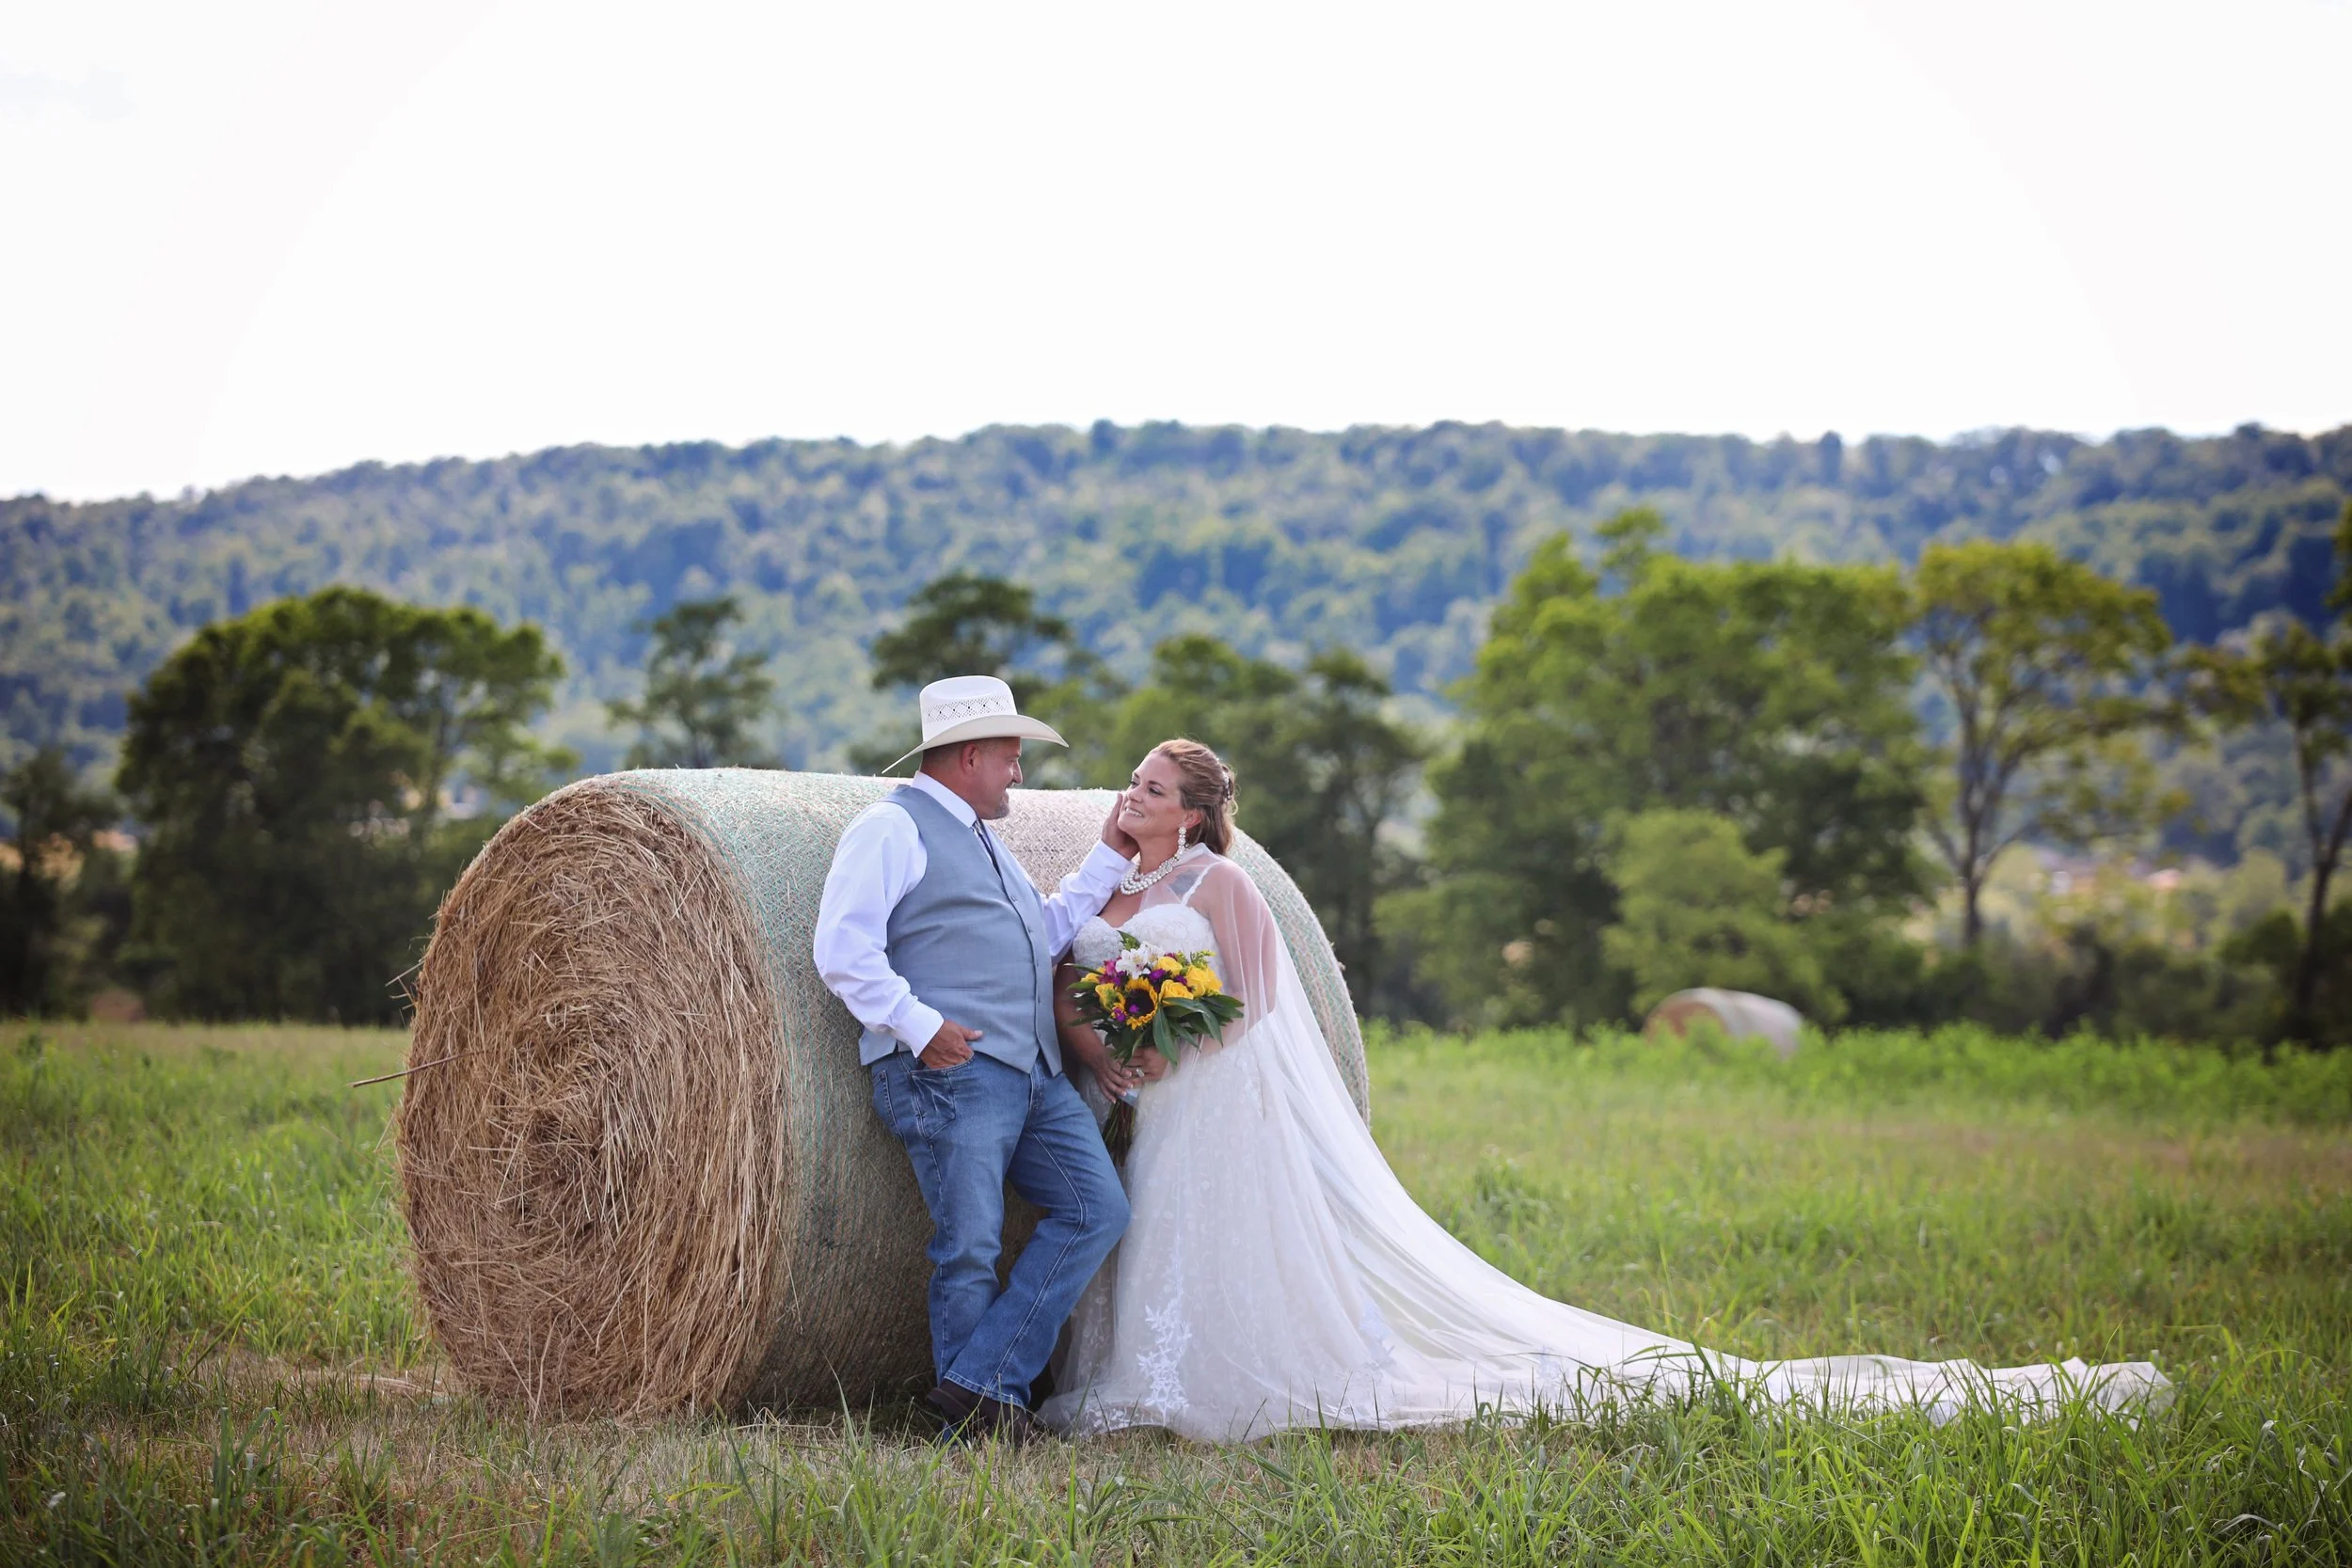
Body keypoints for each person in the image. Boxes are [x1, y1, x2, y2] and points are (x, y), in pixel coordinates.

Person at [1039, 738, 2173, 1443]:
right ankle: (1149, 1364)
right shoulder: (1129, 880)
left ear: (1191, 806)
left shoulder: (1221, 877)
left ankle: (1212, 1373)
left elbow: (1255, 998)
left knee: (1215, 1223)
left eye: (1148, 785)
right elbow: (1079, 954)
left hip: (1209, 1094)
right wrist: (1114, 1026)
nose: (1130, 792)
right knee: (1161, 1224)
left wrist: (1161, 1040)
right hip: (1156, 1097)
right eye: (1131, 781)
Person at [813, 674, 1136, 1445]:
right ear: (966, 757)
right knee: (970, 1245)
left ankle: (972, 1390)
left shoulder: (988, 840)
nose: (1019, 774)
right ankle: (984, 1420)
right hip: (950, 1071)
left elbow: (1046, 928)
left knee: (1099, 1209)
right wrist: (919, 1024)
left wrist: (1108, 856)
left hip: (1032, 1074)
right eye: (1010, 758)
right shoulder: (890, 829)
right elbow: (841, 946)